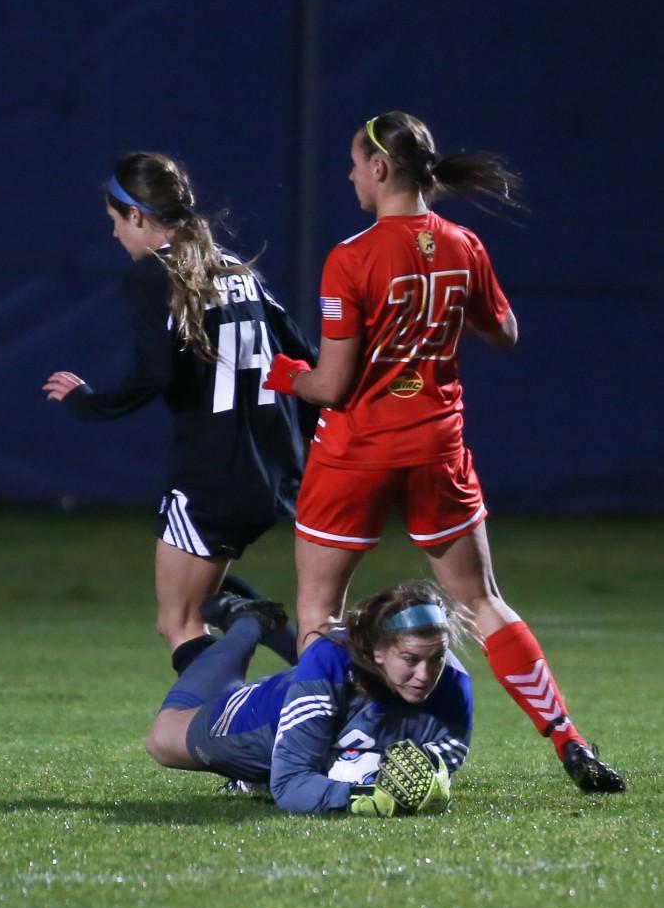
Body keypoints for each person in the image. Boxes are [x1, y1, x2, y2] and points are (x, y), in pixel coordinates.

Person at [262, 111, 625, 795]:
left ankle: (317, 763)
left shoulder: (353, 256)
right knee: (483, 603)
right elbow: (506, 332)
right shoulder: (463, 244)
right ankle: (568, 739)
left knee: (321, 616)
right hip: (437, 444)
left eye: (352, 163)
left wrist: (286, 375)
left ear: (379, 168)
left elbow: (333, 384)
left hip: (357, 449)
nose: (347, 175)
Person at [43, 151, 315, 673]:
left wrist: (88, 404)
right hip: (274, 470)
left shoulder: (154, 275)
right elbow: (306, 358)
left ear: (138, 216)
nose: (114, 235)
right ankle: (278, 639)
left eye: (115, 221)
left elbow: (155, 374)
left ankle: (230, 731)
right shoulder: (235, 269)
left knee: (179, 622)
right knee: (207, 597)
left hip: (214, 473)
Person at [145, 579, 473, 815]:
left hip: (325, 711)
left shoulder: (453, 684)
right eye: (411, 660)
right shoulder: (329, 663)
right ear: (378, 652)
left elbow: (443, 762)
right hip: (263, 723)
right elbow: (290, 786)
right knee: (162, 740)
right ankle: (249, 623)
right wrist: (365, 796)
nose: (426, 674)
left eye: (437, 658)